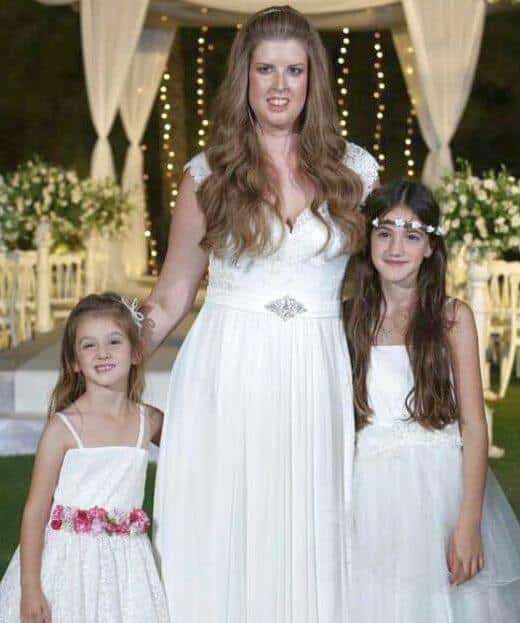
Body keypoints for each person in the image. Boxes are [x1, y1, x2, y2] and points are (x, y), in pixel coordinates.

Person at [141, 5, 379, 622]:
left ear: (312, 79)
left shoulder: (355, 172)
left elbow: (384, 281)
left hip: (315, 370)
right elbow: (171, 296)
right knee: (224, 519)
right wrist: (108, 364)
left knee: (312, 517)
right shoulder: (209, 174)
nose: (279, 85)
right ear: (243, 77)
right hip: (227, 367)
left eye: (293, 70)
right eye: (265, 68)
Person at [345, 181, 520, 622]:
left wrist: (469, 522)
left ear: (430, 247)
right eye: (385, 233)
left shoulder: (451, 318)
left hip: (440, 492)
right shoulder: (348, 319)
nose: (396, 247)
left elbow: (474, 425)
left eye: (412, 235)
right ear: (368, 241)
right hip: (368, 493)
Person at [0, 293, 169, 623]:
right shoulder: (62, 429)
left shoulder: (149, 421)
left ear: (136, 352)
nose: (102, 352)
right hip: (67, 568)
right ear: (75, 361)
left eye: (114, 341)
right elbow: (36, 511)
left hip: (128, 571)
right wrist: (30, 588)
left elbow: (191, 452)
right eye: (89, 345)